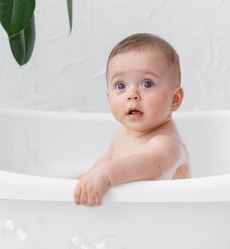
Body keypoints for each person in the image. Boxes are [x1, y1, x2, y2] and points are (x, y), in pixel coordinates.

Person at [73, 33, 190, 206]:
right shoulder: (119, 136)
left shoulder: (167, 143)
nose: (132, 95)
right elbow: (95, 172)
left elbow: (153, 164)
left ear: (175, 99)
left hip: (169, 220)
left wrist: (106, 174)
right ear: (108, 97)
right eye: (121, 86)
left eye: (147, 84)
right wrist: (81, 182)